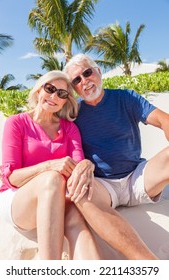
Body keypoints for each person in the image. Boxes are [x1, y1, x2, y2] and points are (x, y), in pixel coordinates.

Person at [63, 53, 169, 259]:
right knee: (79, 193)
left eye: (87, 73)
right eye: (77, 80)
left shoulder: (126, 98)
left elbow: (164, 120)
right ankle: (149, 264)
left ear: (98, 72)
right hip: (103, 186)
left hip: (138, 177)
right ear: (73, 87)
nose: (85, 81)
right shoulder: (73, 114)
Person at [0, 70, 100, 260]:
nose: (54, 96)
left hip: (57, 198)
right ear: (38, 91)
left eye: (61, 94)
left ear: (65, 101)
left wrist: (87, 165)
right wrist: (49, 165)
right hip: (17, 199)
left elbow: (77, 168)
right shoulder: (16, 123)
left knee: (77, 222)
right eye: (50, 89)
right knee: (52, 178)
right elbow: (11, 178)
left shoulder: (70, 129)